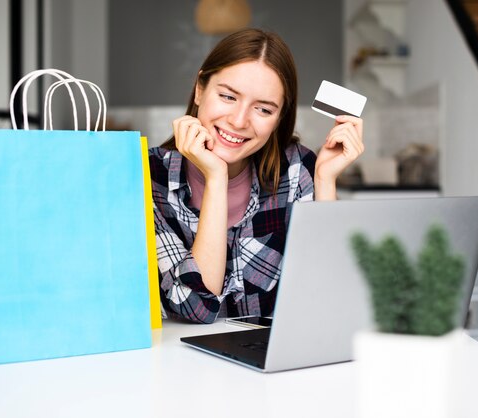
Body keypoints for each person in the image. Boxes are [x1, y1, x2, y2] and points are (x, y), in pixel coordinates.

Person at [149, 28, 364, 324]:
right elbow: (196, 307)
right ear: (200, 89)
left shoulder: (297, 169)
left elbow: (330, 298)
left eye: (263, 109)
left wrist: (324, 180)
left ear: (278, 119)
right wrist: (216, 178)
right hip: (175, 363)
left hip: (273, 361)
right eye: (227, 96)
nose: (238, 121)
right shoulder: (148, 177)